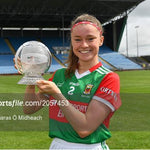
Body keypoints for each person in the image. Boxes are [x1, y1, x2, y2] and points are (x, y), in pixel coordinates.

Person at [17, 14, 121, 150]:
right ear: (72, 41)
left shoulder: (108, 78)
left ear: (101, 40)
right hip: (57, 146)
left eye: (90, 39)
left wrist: (57, 94)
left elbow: (85, 129)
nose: (84, 45)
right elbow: (29, 108)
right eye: (77, 39)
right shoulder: (60, 75)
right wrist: (31, 76)